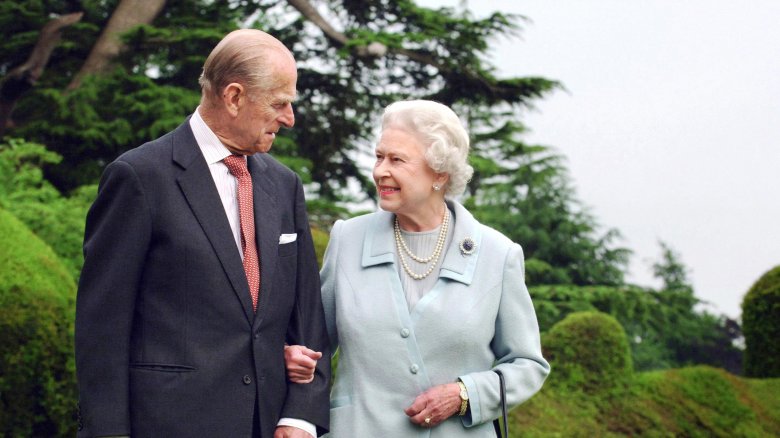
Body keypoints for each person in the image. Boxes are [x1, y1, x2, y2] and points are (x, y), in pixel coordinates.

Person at [75, 29, 330, 438]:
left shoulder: (285, 185)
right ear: (233, 97)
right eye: (279, 104)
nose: (289, 118)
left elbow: (307, 317)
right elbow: (100, 328)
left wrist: (299, 416)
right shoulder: (139, 177)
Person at [287, 100, 550, 437]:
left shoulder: (498, 255)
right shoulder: (348, 239)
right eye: (379, 157)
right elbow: (312, 343)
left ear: (439, 173)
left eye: (397, 160)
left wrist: (465, 394)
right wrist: (292, 357)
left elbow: (527, 365)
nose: (381, 170)